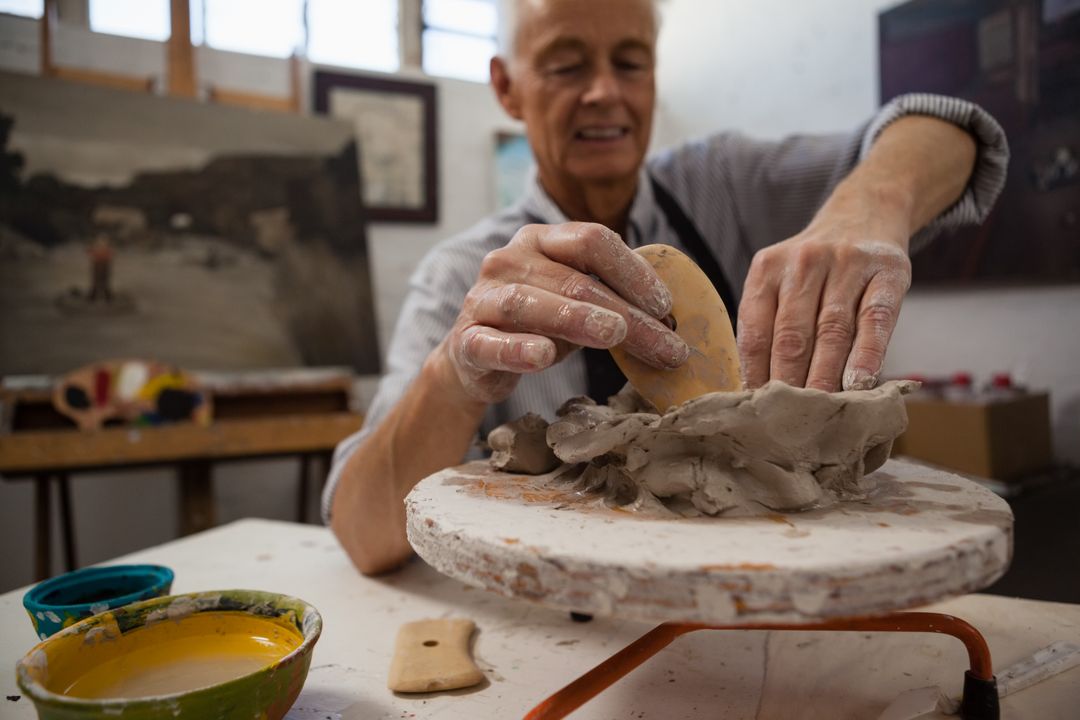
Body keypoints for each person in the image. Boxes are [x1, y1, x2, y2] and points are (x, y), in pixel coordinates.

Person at [325, 0, 1009, 575]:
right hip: (554, 621)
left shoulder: (725, 185)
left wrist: (871, 206)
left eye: (629, 62)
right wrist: (454, 372)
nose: (604, 92)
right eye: (567, 65)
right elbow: (360, 532)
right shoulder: (459, 277)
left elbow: (948, 128)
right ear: (507, 87)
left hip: (765, 581)